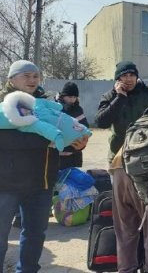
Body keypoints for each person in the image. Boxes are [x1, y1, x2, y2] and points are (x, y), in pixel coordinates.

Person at [0, 60, 88, 272]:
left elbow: (65, 133)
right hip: (6, 183)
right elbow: (6, 139)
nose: (32, 80)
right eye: (26, 75)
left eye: (35, 76)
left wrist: (77, 141)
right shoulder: (3, 105)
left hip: (42, 181)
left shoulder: (46, 105)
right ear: (11, 79)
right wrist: (47, 140)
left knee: (35, 234)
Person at [94, 61, 148, 273]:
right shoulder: (110, 97)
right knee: (125, 222)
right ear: (117, 79)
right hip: (120, 163)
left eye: (131, 74)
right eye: (123, 75)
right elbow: (101, 122)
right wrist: (119, 99)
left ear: (137, 76)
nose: (128, 79)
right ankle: (127, 268)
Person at [56, 81, 89, 170]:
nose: (72, 100)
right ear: (63, 96)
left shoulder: (78, 109)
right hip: (56, 156)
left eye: (74, 97)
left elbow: (85, 127)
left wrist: (82, 144)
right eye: (70, 97)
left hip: (74, 155)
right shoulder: (54, 108)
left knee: (72, 181)